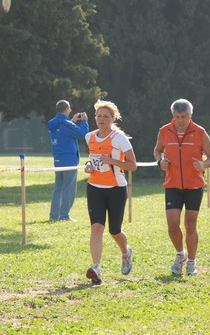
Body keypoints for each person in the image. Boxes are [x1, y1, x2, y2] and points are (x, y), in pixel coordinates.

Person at [154, 99, 210, 276]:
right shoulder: (164, 131)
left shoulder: (200, 132)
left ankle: (192, 262)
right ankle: (181, 254)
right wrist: (160, 162)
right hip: (172, 184)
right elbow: (157, 150)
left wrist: (203, 165)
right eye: (177, 117)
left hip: (194, 185)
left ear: (190, 115)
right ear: (173, 115)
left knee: (190, 224)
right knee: (173, 225)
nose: (180, 120)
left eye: (184, 117)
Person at [83, 100, 136, 284]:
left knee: (115, 230)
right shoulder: (89, 136)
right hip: (95, 188)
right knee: (97, 227)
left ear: (113, 119)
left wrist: (112, 161)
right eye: (99, 116)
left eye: (106, 116)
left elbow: (133, 165)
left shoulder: (119, 138)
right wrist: (88, 166)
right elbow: (92, 160)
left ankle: (126, 252)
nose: (102, 119)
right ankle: (96, 268)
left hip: (116, 189)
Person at [47, 100, 89, 221]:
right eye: (69, 109)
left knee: (58, 188)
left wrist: (73, 121)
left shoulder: (52, 123)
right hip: (70, 160)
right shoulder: (66, 124)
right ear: (66, 109)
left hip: (58, 159)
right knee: (68, 189)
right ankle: (64, 215)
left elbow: (64, 132)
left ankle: (53, 215)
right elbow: (82, 133)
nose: (70, 111)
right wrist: (84, 121)